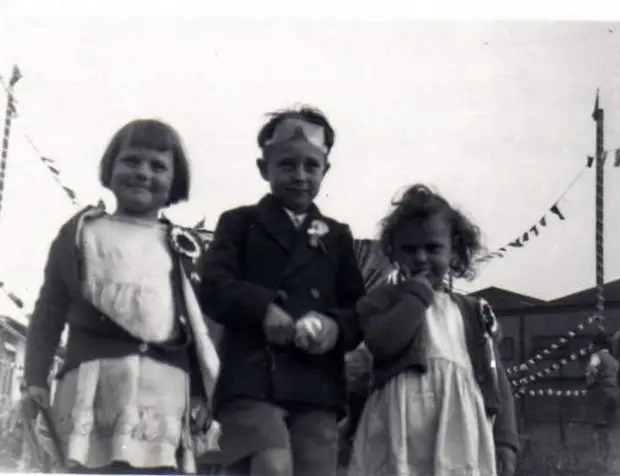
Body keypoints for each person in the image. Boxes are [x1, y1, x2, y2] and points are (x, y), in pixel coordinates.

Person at [21, 119, 220, 474]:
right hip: (92, 387)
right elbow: (50, 309)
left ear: (175, 181)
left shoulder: (185, 247)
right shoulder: (81, 233)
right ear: (110, 167)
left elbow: (196, 328)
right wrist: (35, 377)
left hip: (163, 392)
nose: (143, 172)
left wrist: (202, 395)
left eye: (157, 166)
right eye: (132, 161)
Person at [199, 106, 365, 476]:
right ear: (264, 168)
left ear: (325, 170)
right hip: (252, 378)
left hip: (316, 384)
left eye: (311, 166)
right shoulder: (240, 223)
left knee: (314, 469)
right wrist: (262, 309)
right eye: (287, 165)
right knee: (271, 467)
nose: (300, 175)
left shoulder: (336, 236)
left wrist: (334, 327)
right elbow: (213, 286)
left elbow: (357, 308)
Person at [348, 184, 519, 476]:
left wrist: (505, 439)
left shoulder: (473, 311)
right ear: (393, 252)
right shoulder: (383, 300)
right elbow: (384, 344)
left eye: (432, 248)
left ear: (453, 252)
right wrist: (415, 295)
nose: (421, 258)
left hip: (456, 428)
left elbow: (495, 377)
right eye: (409, 249)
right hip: (397, 427)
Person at [585, 332, 620, 427]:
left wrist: (595, 378)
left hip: (601, 393)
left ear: (597, 345)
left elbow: (590, 369)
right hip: (615, 393)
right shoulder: (613, 360)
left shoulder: (596, 355)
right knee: (611, 423)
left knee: (598, 423)